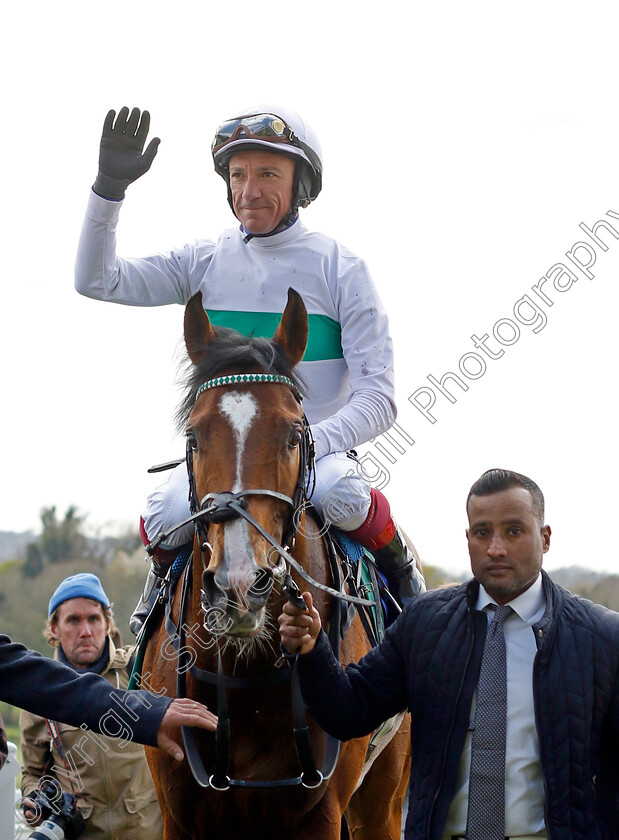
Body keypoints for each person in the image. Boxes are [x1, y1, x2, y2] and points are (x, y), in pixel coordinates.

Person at [74, 105, 425, 633]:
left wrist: (305, 443)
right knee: (165, 512)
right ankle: (154, 617)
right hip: (225, 456)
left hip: (313, 453)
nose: (249, 191)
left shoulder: (342, 269)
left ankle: (411, 601)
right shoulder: (203, 260)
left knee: (343, 495)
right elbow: (96, 280)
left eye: (267, 174)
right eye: (238, 175)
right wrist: (108, 191)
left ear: (300, 183)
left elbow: (381, 398)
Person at [279, 468, 619, 840]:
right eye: (483, 532)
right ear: (468, 537)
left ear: (546, 537)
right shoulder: (424, 623)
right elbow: (350, 711)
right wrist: (313, 650)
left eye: (514, 531)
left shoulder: (601, 638)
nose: (496, 548)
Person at [18, 573, 212, 838]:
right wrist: (35, 801)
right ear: (54, 629)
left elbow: (199, 659)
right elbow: (31, 772)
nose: (85, 631)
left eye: (94, 619)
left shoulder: (142, 668)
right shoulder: (38, 695)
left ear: (108, 624)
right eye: (73, 620)